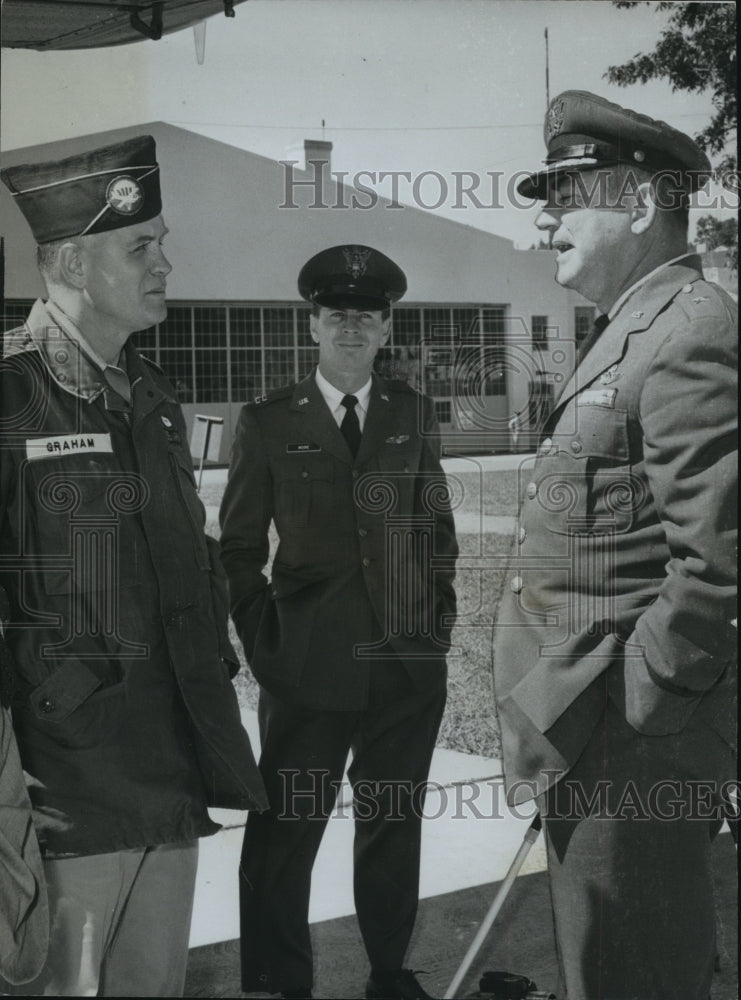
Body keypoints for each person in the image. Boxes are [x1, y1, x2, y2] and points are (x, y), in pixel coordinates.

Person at [0, 135, 267, 997]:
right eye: (139, 247)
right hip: (65, 793)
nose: (165, 264)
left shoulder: (150, 398)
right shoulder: (12, 394)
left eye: (160, 243)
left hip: (168, 767)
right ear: (71, 261)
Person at [494, 90, 737, 999]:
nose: (546, 215)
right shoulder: (634, 326)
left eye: (568, 193)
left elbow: (715, 561)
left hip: (633, 748)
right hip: (590, 735)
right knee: (605, 967)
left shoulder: (690, 330)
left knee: (636, 972)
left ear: (640, 204)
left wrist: (637, 706)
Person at [220, 244, 458, 1000]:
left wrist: (433, 626)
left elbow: (437, 532)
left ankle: (388, 974)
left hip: (403, 665)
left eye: (366, 316)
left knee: (392, 828)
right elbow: (236, 548)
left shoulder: (411, 413)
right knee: (285, 835)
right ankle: (274, 983)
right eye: (336, 315)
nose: (351, 328)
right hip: (306, 666)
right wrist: (268, 641)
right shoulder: (264, 421)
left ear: (386, 328)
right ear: (312, 325)